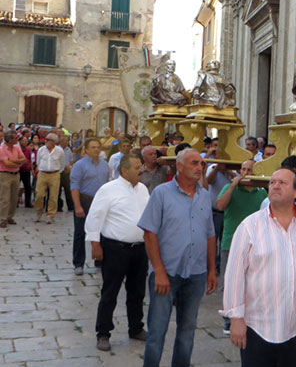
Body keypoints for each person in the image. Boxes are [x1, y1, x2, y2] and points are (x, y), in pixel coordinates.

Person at [222, 167, 296, 366]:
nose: (275, 186)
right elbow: (234, 275)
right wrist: (235, 318)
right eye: (272, 182)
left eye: (282, 182)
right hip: (257, 327)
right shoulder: (249, 226)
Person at [138, 148, 217, 367]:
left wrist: (211, 270)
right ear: (180, 167)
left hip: (196, 274)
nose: (199, 167)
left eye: (201, 163)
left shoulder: (204, 195)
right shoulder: (162, 193)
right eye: (194, 163)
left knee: (187, 330)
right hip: (167, 273)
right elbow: (149, 233)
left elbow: (210, 234)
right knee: (157, 330)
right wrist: (159, 271)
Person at [85, 154, 150, 351]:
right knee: (110, 292)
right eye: (137, 167)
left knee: (137, 291)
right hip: (115, 249)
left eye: (141, 166)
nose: (142, 170)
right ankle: (103, 333)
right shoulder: (108, 190)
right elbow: (95, 216)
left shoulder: (143, 189)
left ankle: (136, 327)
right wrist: (95, 244)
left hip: (139, 249)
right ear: (124, 170)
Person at [216, 159, 268, 334]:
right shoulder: (230, 188)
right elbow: (220, 205)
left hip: (256, 244)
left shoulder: (262, 193)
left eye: (249, 170)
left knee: (252, 283)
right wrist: (232, 186)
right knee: (229, 282)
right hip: (231, 242)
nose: (245, 173)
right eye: (243, 169)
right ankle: (229, 319)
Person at [70, 138, 110, 275]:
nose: (96, 149)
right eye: (93, 147)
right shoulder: (79, 165)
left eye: (98, 147)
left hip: (101, 201)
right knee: (80, 232)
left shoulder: (105, 165)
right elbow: (74, 186)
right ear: (86, 149)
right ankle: (78, 263)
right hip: (85, 200)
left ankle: (100, 260)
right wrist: (77, 206)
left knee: (102, 231)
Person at [34, 133, 65, 224]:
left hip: (54, 174)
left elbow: (62, 163)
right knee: (39, 194)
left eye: (48, 139)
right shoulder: (41, 150)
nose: (46, 141)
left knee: (53, 196)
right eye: (46, 139)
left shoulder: (59, 151)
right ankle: (39, 212)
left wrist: (58, 171)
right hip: (43, 173)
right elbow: (38, 161)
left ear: (54, 142)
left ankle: (50, 215)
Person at [0, 129, 26, 228]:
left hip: (16, 174)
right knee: (5, 198)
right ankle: (2, 218)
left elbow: (23, 159)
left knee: (14, 198)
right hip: (5, 175)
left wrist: (13, 160)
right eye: (15, 138)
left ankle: (10, 216)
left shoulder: (16, 148)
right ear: (10, 139)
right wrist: (17, 162)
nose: (17, 140)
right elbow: (7, 163)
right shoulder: (2, 149)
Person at [57, 134, 75, 212]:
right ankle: (58, 206)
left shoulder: (68, 149)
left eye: (67, 141)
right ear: (61, 141)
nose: (67, 142)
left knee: (68, 190)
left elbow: (71, 160)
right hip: (59, 171)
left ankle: (70, 206)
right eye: (65, 140)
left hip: (67, 172)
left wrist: (70, 166)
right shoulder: (57, 149)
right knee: (58, 190)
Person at [18, 135, 33, 208]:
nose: (25, 142)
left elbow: (30, 160)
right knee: (16, 187)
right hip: (18, 170)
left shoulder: (28, 150)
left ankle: (28, 202)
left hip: (26, 170)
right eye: (24, 140)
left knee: (28, 187)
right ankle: (15, 202)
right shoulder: (17, 149)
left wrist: (31, 168)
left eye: (26, 141)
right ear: (19, 141)